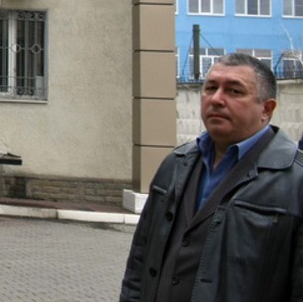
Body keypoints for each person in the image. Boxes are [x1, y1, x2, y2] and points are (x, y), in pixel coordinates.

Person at [119, 53, 303, 302]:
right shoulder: (176, 164)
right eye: (211, 88)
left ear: (266, 109)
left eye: (234, 91)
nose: (217, 99)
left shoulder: (294, 180)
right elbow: (140, 262)